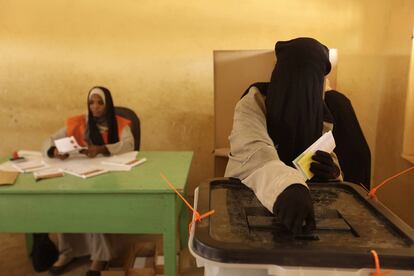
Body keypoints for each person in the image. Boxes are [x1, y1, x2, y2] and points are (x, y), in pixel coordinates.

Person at [225, 37, 342, 235]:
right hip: (249, 203)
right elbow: (255, 152)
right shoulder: (252, 104)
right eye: (290, 75)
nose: (299, 88)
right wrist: (289, 186)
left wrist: (332, 172)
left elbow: (329, 158)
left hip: (305, 211)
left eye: (309, 81)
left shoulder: (321, 116)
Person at [42, 86, 134, 275]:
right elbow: (50, 140)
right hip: (82, 174)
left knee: (93, 205)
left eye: (100, 102)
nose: (95, 107)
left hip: (111, 176)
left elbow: (129, 145)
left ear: (108, 104)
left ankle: (99, 256)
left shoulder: (119, 123)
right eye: (91, 102)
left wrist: (101, 149)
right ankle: (67, 252)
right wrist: (55, 151)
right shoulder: (80, 123)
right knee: (66, 203)